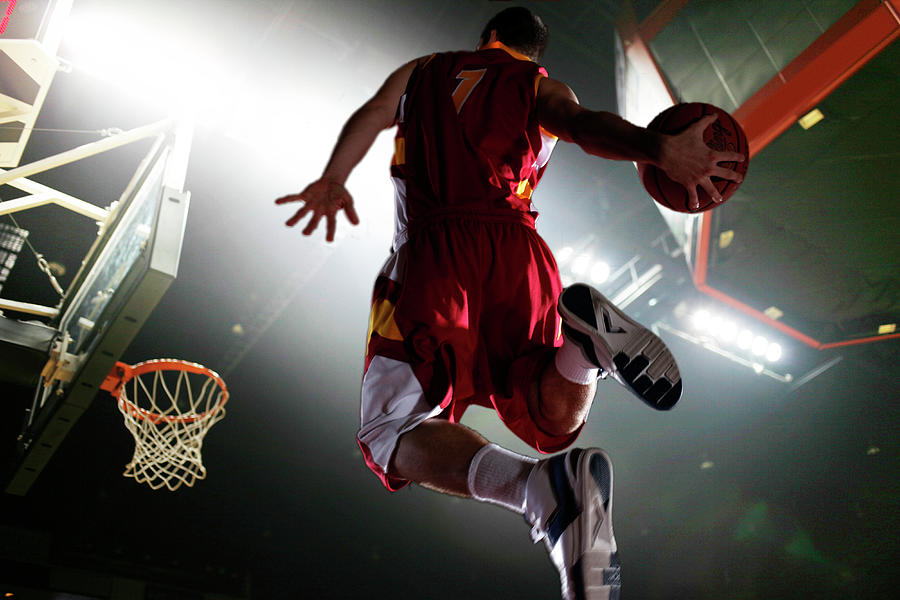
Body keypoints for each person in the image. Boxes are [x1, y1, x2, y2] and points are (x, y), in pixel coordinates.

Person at [276, 7, 743, 599]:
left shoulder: (421, 72)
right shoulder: (540, 84)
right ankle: (583, 350)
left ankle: (531, 490)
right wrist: (653, 148)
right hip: (521, 255)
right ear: (534, 50)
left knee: (389, 434)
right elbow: (579, 123)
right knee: (551, 419)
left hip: (435, 252)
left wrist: (332, 179)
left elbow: (370, 116)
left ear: (485, 38)